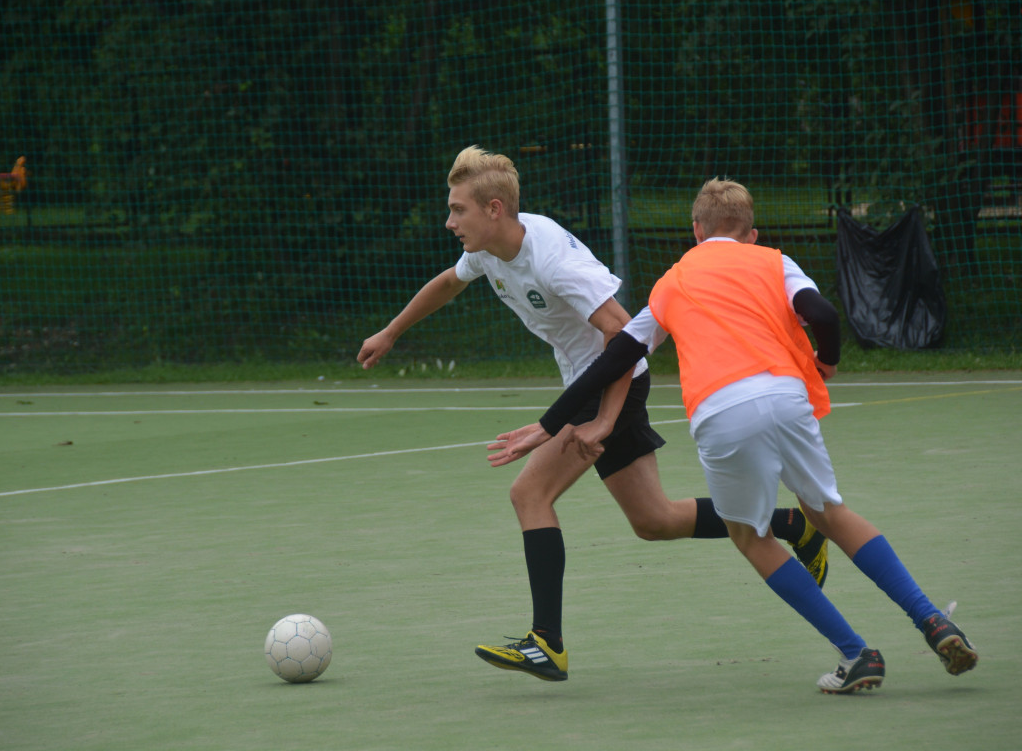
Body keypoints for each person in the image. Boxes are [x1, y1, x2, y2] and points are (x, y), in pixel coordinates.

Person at [488, 177, 979, 693]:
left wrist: (549, 425)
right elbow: (824, 314)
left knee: (751, 536)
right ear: (751, 233)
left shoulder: (673, 281)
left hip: (722, 411)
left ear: (695, 230)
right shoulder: (773, 261)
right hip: (789, 397)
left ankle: (857, 653)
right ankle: (931, 620)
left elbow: (614, 358)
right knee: (832, 513)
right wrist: (827, 360)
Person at [358, 148, 828, 682]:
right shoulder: (489, 249)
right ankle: (793, 525)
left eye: (457, 210)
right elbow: (448, 282)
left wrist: (603, 419)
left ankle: (546, 643)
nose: (449, 221)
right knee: (654, 520)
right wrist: (391, 332)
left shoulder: (555, 259)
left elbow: (624, 334)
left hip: (610, 380)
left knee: (529, 493)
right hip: (591, 381)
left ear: (493, 209)